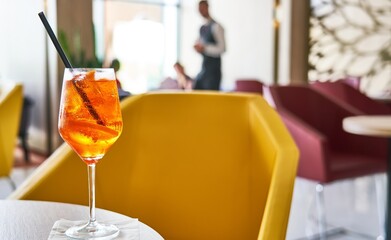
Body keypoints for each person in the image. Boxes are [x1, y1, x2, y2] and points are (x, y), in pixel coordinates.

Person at [193, 0, 226, 90]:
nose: (201, 11)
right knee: (195, 88)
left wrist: (205, 48)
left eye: (203, 8)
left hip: (214, 72)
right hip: (204, 69)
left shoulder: (217, 26)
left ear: (207, 7)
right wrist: (198, 49)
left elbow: (222, 49)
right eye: (199, 9)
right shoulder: (202, 28)